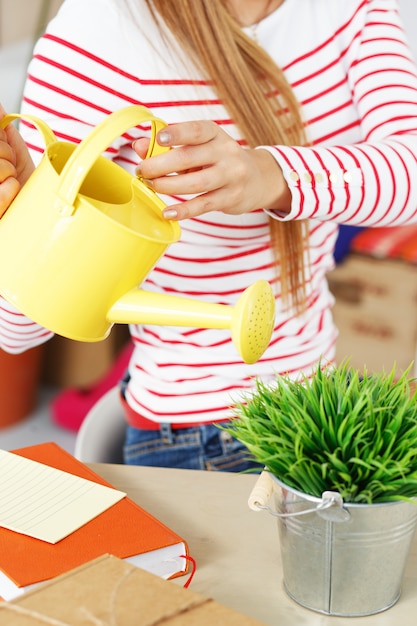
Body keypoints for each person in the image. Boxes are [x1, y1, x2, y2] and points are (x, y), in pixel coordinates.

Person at [1, 0, 417, 470]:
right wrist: (24, 219)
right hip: (201, 437)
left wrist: (270, 174)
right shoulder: (103, 27)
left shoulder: (352, 9)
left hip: (317, 396)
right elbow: (18, 328)